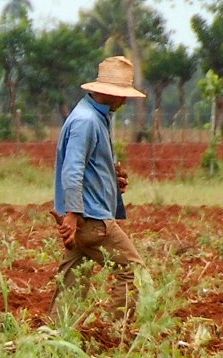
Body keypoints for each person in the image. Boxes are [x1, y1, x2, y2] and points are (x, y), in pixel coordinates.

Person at [50, 56, 146, 326]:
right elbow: (72, 170)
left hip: (84, 218)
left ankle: (55, 339)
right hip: (91, 219)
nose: (124, 101)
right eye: (121, 95)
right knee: (132, 272)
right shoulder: (87, 122)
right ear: (108, 93)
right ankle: (115, 335)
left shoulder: (93, 117)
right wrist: (72, 214)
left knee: (72, 283)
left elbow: (89, 167)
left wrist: (112, 182)